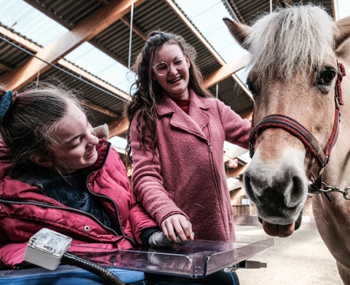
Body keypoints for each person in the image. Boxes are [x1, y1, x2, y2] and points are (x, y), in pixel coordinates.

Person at [0, 84, 172, 270]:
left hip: (132, 268)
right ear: (43, 159)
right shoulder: (11, 204)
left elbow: (128, 206)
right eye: (77, 142)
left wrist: (148, 232)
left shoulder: (107, 159)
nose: (95, 141)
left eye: (88, 127)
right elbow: (9, 251)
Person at [126, 31, 251, 245]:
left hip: (222, 233)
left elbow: (254, 136)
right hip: (180, 232)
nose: (173, 71)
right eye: (162, 67)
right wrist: (166, 211)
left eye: (177, 62)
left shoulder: (215, 109)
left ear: (187, 61)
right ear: (152, 74)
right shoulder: (147, 118)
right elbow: (145, 175)